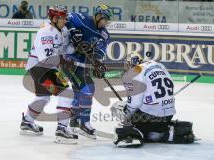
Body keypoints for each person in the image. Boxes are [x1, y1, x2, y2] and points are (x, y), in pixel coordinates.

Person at [20, 5, 78, 144]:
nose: (65, 20)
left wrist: (76, 45)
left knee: (43, 97)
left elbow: (65, 49)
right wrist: (64, 60)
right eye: (62, 18)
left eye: (65, 17)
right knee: (67, 93)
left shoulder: (62, 30)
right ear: (54, 18)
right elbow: (45, 58)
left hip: (44, 68)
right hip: (42, 68)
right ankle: (62, 129)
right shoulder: (45, 32)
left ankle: (27, 122)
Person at [112, 56, 196, 147]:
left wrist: (126, 116)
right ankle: (163, 134)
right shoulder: (159, 65)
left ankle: (132, 133)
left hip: (149, 118)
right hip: (168, 116)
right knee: (153, 133)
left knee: (117, 107)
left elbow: (134, 104)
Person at [60, 4, 113, 139]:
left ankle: (75, 121)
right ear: (98, 16)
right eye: (104, 19)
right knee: (88, 88)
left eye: (107, 20)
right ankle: (84, 123)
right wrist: (73, 31)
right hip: (69, 61)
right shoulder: (82, 18)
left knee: (79, 90)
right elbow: (68, 18)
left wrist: (97, 62)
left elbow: (100, 52)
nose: (106, 23)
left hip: (82, 64)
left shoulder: (104, 34)